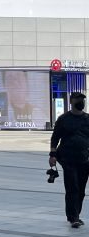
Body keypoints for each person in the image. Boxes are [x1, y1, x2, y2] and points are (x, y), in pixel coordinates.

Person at [49, 92, 89, 229]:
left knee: (82, 189)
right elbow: (55, 138)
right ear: (71, 101)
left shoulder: (88, 119)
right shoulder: (63, 119)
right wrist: (52, 155)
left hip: (85, 159)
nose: (81, 102)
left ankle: (75, 214)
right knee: (72, 187)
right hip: (67, 158)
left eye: (82, 100)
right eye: (78, 99)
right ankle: (73, 217)